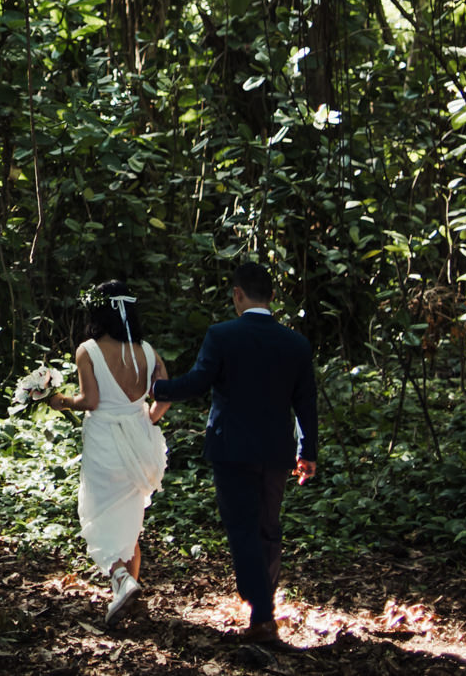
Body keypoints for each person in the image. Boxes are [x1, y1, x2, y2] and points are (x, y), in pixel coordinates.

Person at [150, 261, 318, 646]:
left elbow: (198, 382)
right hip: (277, 451)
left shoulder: (222, 335)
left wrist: (159, 389)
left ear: (237, 294)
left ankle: (261, 612)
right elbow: (305, 403)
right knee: (268, 527)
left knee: (242, 528)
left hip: (231, 448)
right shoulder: (296, 343)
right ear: (272, 297)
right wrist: (307, 450)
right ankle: (264, 608)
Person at [44, 281, 171, 621]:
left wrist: (60, 402)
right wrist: (147, 419)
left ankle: (119, 578)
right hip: (140, 444)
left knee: (97, 517)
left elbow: (91, 401)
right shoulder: (148, 350)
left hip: (105, 443)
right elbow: (166, 394)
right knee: (130, 524)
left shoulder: (88, 350)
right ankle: (127, 594)